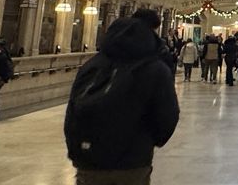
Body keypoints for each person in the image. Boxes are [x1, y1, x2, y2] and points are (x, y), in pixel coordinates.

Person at [65, 13, 179, 185]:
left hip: (89, 160)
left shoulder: (92, 66)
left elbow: (72, 113)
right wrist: (147, 140)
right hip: (132, 160)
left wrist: (77, 149)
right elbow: (167, 116)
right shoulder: (155, 69)